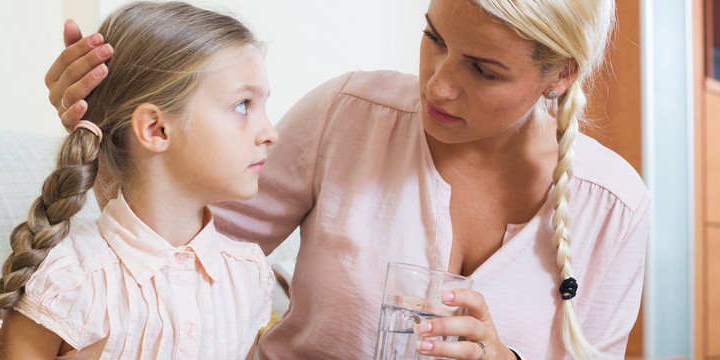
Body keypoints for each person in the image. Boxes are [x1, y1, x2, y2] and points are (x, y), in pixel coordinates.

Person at [47, 0, 649, 359]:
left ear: (559, 76)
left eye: (484, 70)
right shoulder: (348, 113)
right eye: (433, 38)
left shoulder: (614, 208)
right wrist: (107, 118)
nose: (438, 84)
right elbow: (171, 246)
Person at [0, 2, 278, 359]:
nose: (270, 132)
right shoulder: (67, 281)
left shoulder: (249, 275)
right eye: (243, 105)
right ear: (156, 128)